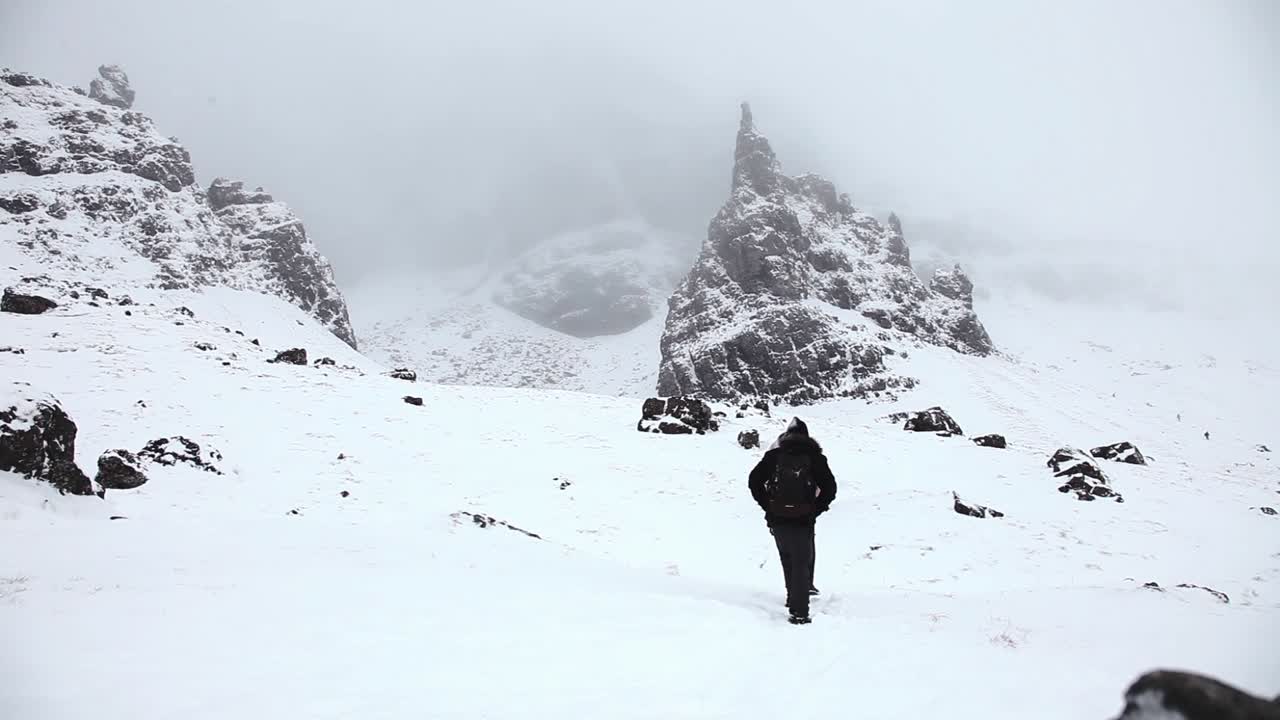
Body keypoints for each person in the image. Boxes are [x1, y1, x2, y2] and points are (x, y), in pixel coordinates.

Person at [748, 417, 836, 624]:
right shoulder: (815, 458)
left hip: (778, 515)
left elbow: (754, 482)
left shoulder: (774, 456)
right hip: (804, 517)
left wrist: (768, 506)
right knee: (801, 561)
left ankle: (793, 598)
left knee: (787, 556)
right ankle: (799, 612)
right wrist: (815, 509)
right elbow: (830, 488)